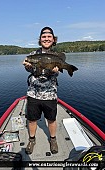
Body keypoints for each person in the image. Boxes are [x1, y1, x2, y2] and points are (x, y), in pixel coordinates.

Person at [23, 26, 62, 155]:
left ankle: (53, 140)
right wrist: (28, 67)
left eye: (49, 36)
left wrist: (55, 71)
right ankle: (32, 140)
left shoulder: (57, 55)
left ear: (53, 39)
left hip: (50, 93)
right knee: (32, 119)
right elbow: (31, 70)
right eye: (44, 37)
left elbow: (55, 74)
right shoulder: (33, 55)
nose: (46, 39)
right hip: (33, 92)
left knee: (51, 119)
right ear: (40, 40)